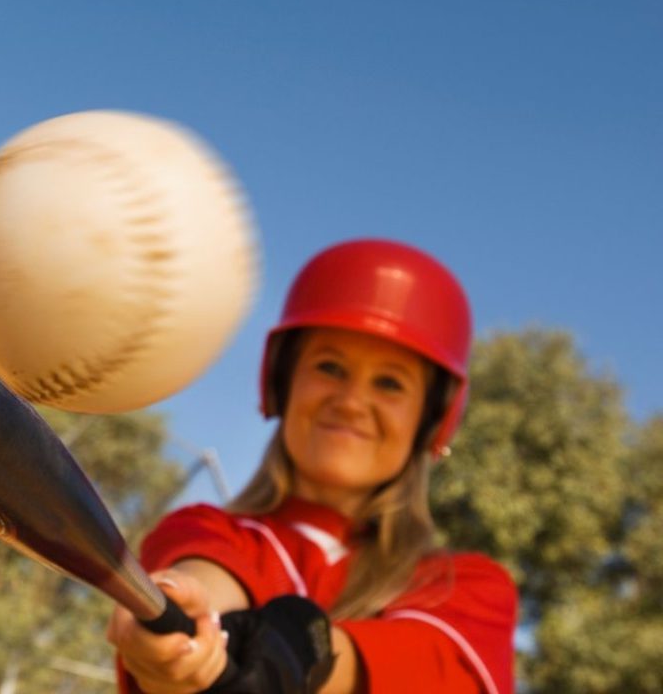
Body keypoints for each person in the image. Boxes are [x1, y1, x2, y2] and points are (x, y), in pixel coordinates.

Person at [107, 239, 518, 694]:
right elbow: (204, 583)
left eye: (389, 383)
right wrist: (186, 634)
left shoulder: (464, 587)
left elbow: (431, 670)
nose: (351, 402)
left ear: (430, 422)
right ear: (283, 383)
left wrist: (300, 655)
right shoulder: (207, 531)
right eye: (329, 367)